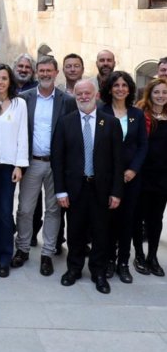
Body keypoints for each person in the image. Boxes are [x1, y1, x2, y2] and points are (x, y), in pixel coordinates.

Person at [52, 80, 123, 294]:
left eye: (87, 93)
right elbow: (58, 160)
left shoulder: (110, 123)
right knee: (75, 231)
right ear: (74, 96)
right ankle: (73, 269)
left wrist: (116, 192)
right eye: (79, 94)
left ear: (96, 95)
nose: (83, 97)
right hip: (75, 188)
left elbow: (118, 161)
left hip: (101, 188)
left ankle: (98, 272)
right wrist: (60, 190)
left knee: (101, 232)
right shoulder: (65, 122)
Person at [11, 56, 76, 276]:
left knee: (53, 210)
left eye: (49, 70)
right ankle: (22, 248)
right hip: (32, 162)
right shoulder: (24, 99)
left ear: (56, 73)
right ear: (36, 73)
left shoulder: (67, 101)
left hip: (56, 165)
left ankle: (47, 253)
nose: (45, 74)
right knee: (25, 209)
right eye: (42, 70)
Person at [0, 63, 29, 278]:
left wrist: (20, 165)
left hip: (9, 165)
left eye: (4, 78)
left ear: (10, 82)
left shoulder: (20, 104)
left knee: (5, 212)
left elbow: (22, 136)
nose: (0, 82)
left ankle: (5, 257)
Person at [99, 71, 148, 283]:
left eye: (124, 85)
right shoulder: (101, 112)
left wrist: (133, 170)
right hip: (108, 176)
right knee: (109, 220)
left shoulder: (137, 114)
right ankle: (109, 260)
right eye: (116, 85)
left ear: (129, 89)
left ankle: (123, 263)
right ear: (110, 89)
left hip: (131, 177)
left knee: (128, 221)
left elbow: (143, 145)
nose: (120, 89)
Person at [133, 78, 167, 277]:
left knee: (156, 218)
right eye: (157, 92)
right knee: (138, 217)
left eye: (164, 92)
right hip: (142, 175)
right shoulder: (140, 114)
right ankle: (138, 254)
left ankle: (152, 256)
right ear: (150, 94)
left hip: (163, 177)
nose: (161, 96)